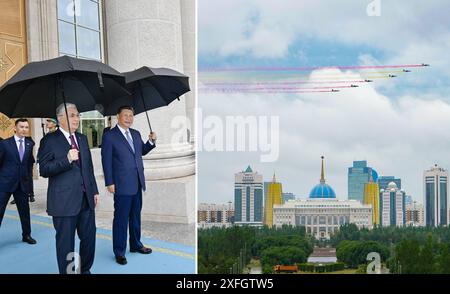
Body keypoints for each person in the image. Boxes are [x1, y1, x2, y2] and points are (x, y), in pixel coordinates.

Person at [38, 103, 99, 274]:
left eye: (77, 115)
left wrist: (94, 190)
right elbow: (44, 170)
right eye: (72, 115)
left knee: (89, 239)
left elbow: (88, 167)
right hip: (64, 203)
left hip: (86, 200)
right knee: (66, 245)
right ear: (60, 118)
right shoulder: (49, 141)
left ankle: (85, 270)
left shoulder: (82, 138)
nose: (77, 119)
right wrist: (66, 159)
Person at [101, 106, 156, 265]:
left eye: (131, 115)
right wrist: (109, 182)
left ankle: (136, 244)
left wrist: (151, 141)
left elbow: (142, 151)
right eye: (125, 115)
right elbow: (106, 161)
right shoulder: (110, 136)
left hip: (137, 182)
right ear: (118, 116)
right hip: (121, 185)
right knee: (121, 219)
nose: (128, 118)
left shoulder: (136, 134)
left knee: (135, 216)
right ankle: (119, 251)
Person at [0, 118, 36, 245]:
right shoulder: (5, 144)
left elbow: (28, 163)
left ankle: (26, 235)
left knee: (25, 212)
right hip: (5, 183)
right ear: (15, 128)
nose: (24, 129)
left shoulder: (29, 144)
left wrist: (28, 179)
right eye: (21, 127)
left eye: (26, 127)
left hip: (22, 184)